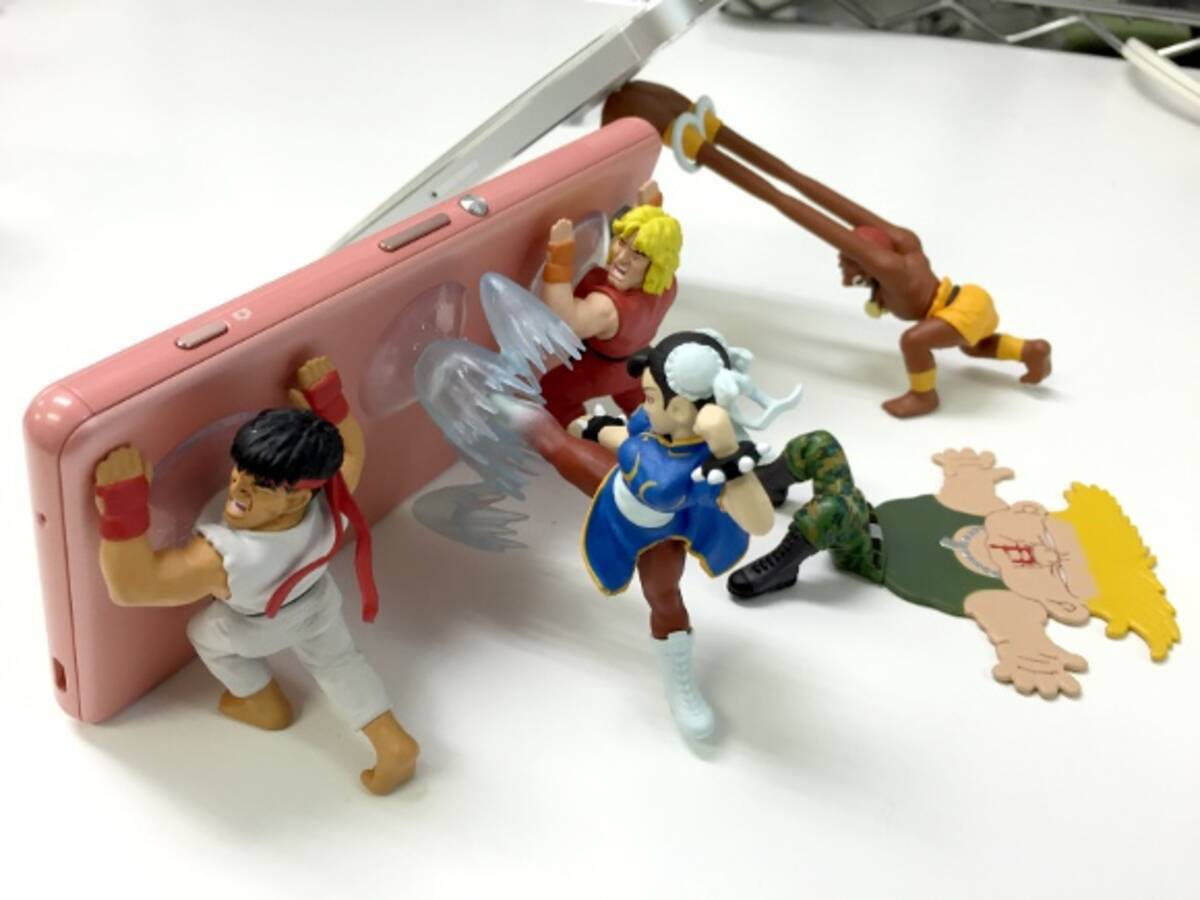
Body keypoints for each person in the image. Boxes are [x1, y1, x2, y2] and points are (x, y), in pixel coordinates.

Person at [601, 80, 1052, 418]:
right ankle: (1029, 350)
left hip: (956, 311)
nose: (845, 266)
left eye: (848, 260)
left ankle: (924, 394)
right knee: (973, 347)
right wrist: (718, 136)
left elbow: (788, 203)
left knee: (914, 340)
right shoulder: (904, 244)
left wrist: (705, 152)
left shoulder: (886, 264)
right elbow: (804, 185)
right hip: (971, 302)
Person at [93, 356, 419, 794]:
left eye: (262, 484)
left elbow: (135, 587)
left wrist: (124, 509)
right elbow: (353, 451)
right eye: (240, 468)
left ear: (298, 498)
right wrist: (329, 401)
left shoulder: (221, 557)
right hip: (320, 602)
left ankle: (264, 704)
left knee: (204, 635)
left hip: (256, 627)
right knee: (341, 663)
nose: (239, 487)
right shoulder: (334, 501)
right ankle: (392, 743)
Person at [494, 329, 800, 739]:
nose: (644, 403)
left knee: (663, 597)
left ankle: (678, 679)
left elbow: (759, 522)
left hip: (661, 533)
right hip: (615, 496)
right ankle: (495, 401)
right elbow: (631, 437)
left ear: (681, 409)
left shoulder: (703, 466)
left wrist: (728, 455)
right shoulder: (655, 421)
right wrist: (597, 428)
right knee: (555, 446)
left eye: (651, 397)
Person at [726, 440, 1179, 698]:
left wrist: (1032, 657)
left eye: (1058, 571)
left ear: (1062, 604)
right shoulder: (982, 511)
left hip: (865, 550)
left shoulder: (1005, 598)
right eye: (1046, 540)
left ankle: (783, 567)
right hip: (868, 511)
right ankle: (765, 486)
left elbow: (1019, 635)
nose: (1041, 556)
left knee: (833, 511)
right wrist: (968, 470)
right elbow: (968, 483)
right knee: (818, 444)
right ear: (1026, 510)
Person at [537, 179, 683, 425]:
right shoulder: (668, 283)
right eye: (622, 242)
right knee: (645, 409)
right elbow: (658, 244)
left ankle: (587, 437)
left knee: (552, 392)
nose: (621, 257)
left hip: (601, 372)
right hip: (638, 365)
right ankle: (660, 429)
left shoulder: (606, 308)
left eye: (637, 255)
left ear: (653, 266)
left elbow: (563, 321)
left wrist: (560, 259)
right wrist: (652, 211)